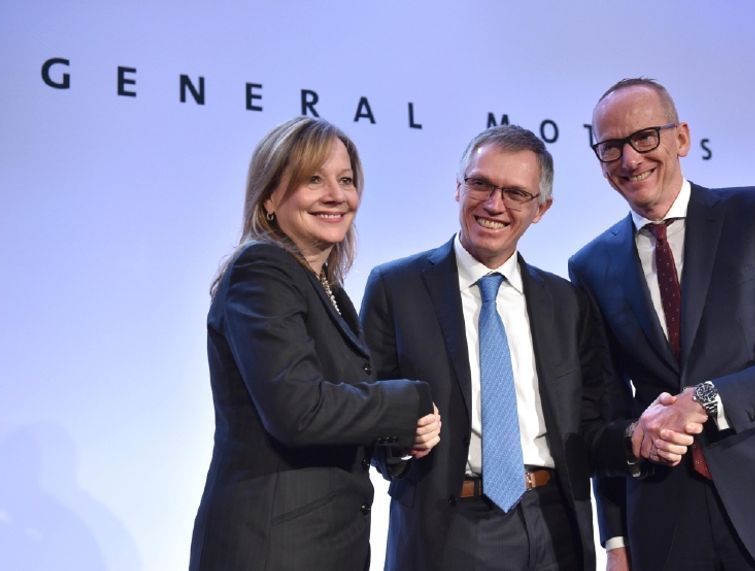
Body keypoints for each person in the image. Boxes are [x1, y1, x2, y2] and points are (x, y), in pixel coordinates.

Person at [570, 78, 755, 570]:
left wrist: (707, 400)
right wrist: (615, 539)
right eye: (611, 147)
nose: (630, 159)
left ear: (680, 137)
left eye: (645, 138)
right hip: (665, 523)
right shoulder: (591, 265)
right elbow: (606, 408)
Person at [360, 125, 628, 571]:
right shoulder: (396, 287)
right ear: (458, 187)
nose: (494, 204)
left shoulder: (568, 301)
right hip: (450, 525)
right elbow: (368, 408)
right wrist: (401, 444)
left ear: (541, 209)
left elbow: (593, 417)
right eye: (481, 183)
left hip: (556, 519)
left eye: (516, 193)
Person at [189, 117, 441, 571]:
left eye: (346, 180)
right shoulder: (261, 269)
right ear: (269, 197)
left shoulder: (328, 289)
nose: (336, 195)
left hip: (322, 547)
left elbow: (337, 413)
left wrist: (399, 442)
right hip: (272, 549)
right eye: (313, 180)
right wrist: (410, 401)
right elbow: (299, 411)